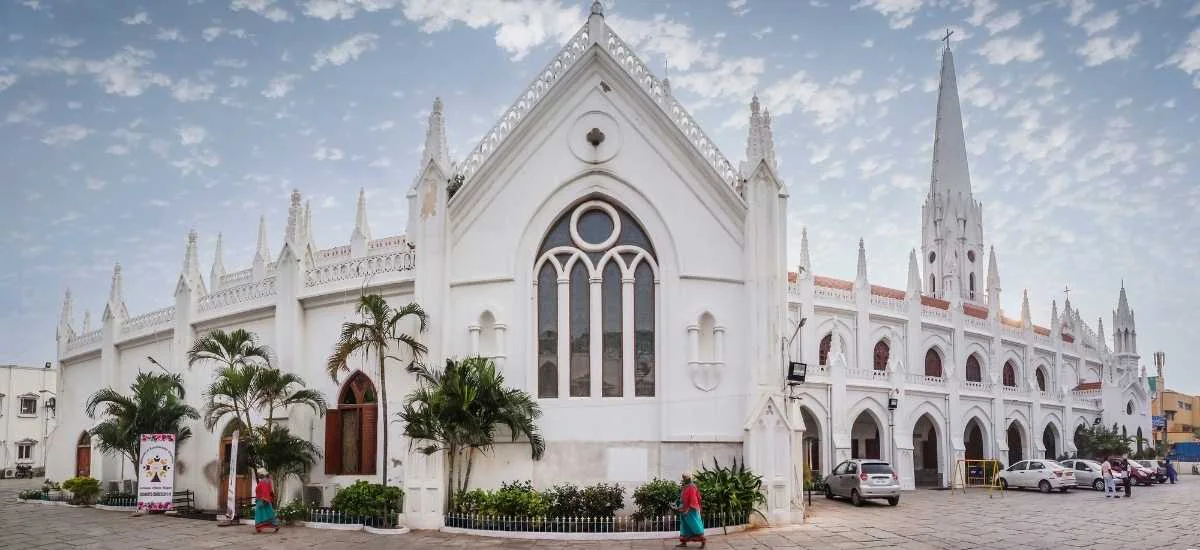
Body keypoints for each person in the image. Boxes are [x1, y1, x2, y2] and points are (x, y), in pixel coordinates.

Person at [674, 472, 705, 548]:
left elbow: (693, 499)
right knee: (684, 526)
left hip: (691, 510)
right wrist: (677, 504)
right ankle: (684, 542)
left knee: (695, 525)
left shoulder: (692, 487)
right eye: (683, 477)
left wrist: (688, 510)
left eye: (684, 477)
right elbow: (682, 497)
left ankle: (703, 541)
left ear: (688, 478)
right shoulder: (685, 486)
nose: (683, 479)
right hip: (684, 509)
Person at [254, 468, 280, 533]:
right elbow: (270, 491)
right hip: (266, 500)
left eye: (259, 474)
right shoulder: (268, 480)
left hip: (262, 500)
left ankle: (259, 528)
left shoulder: (263, 482)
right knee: (269, 514)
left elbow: (265, 491)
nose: (258, 475)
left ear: (262, 474)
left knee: (260, 515)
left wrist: (264, 500)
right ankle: (275, 526)